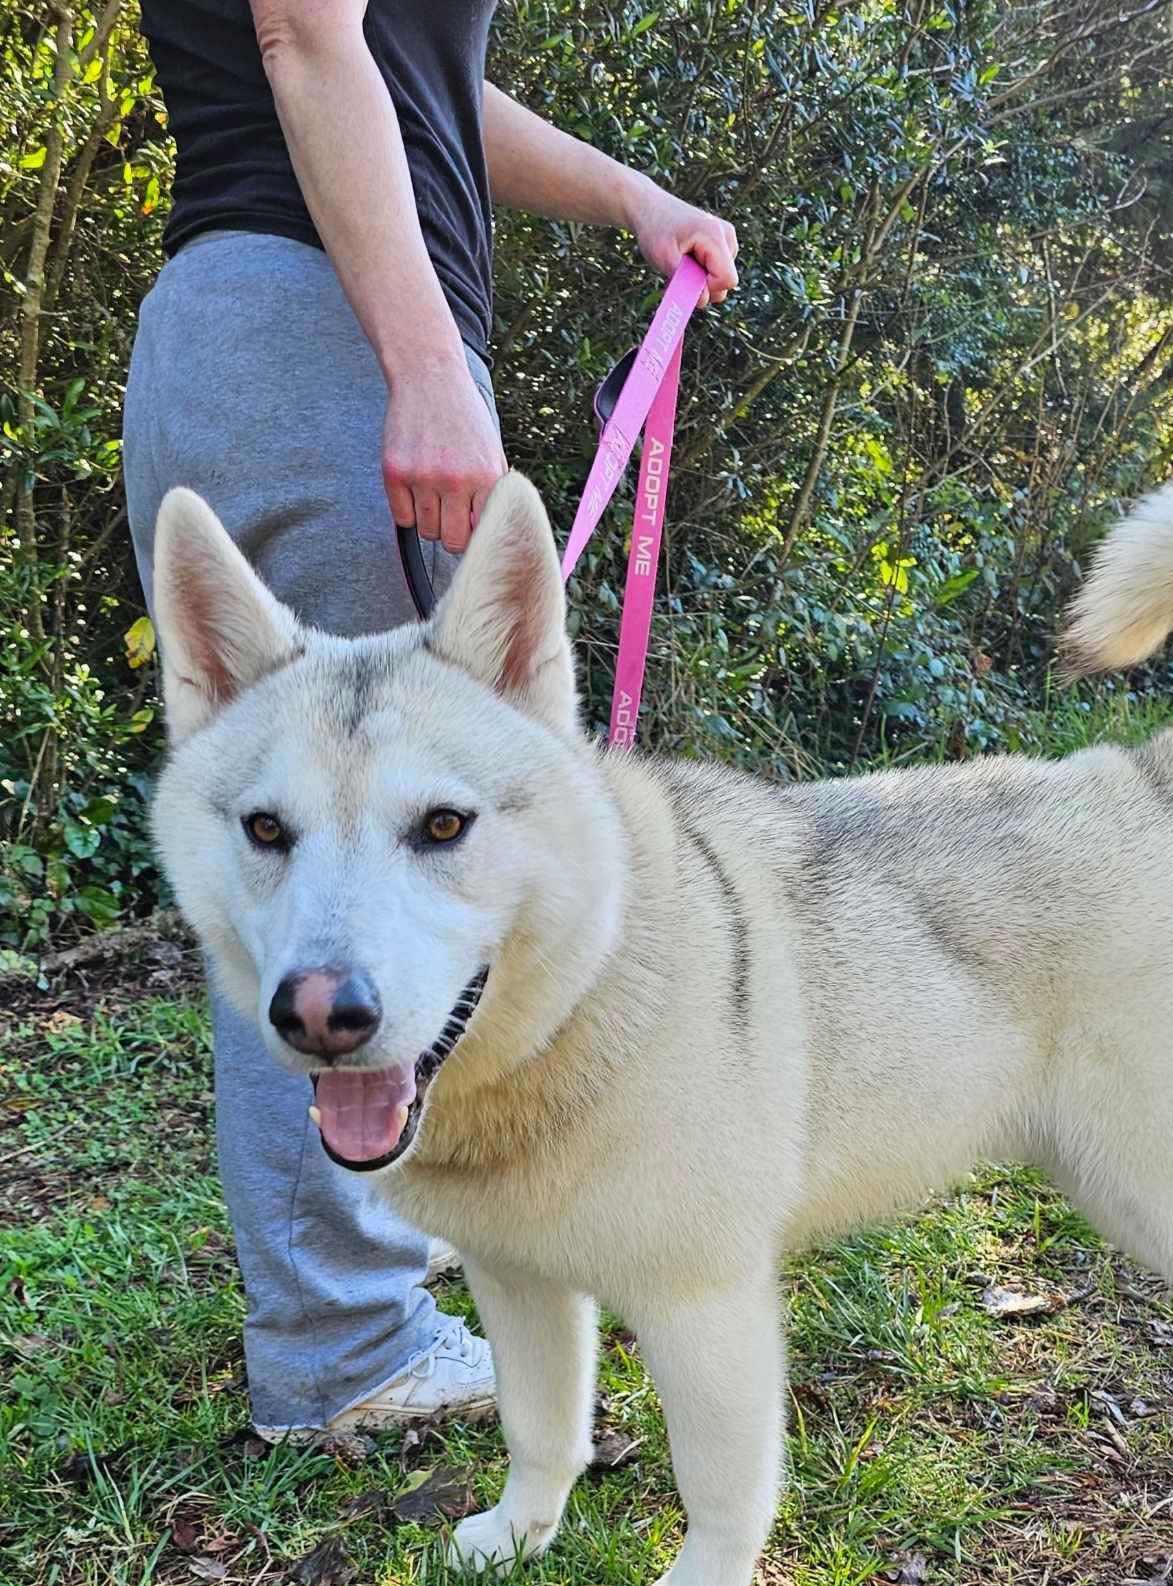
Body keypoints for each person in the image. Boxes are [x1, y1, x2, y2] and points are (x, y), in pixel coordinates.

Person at [124, 1, 738, 1441]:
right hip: (318, 323)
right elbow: (305, 33)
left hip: (269, 322)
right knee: (349, 847)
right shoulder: (357, 316)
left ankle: (356, 1298)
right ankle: (345, 1349)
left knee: (321, 843)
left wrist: (629, 197)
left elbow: (421, 83)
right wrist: (419, 365)